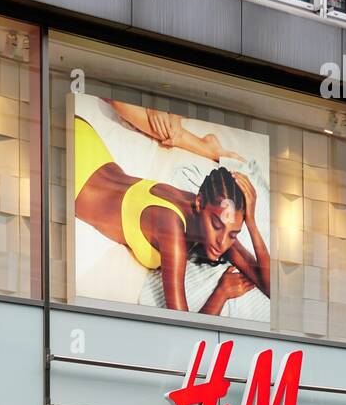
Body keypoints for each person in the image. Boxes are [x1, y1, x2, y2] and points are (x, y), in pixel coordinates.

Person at [74, 100, 270, 315]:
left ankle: (204, 146)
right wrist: (221, 293)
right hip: (74, 170)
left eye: (233, 234)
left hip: (87, 144)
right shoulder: (172, 228)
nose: (222, 243)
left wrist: (251, 223)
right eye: (216, 225)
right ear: (199, 203)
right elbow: (182, 329)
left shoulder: (214, 223)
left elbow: (270, 286)